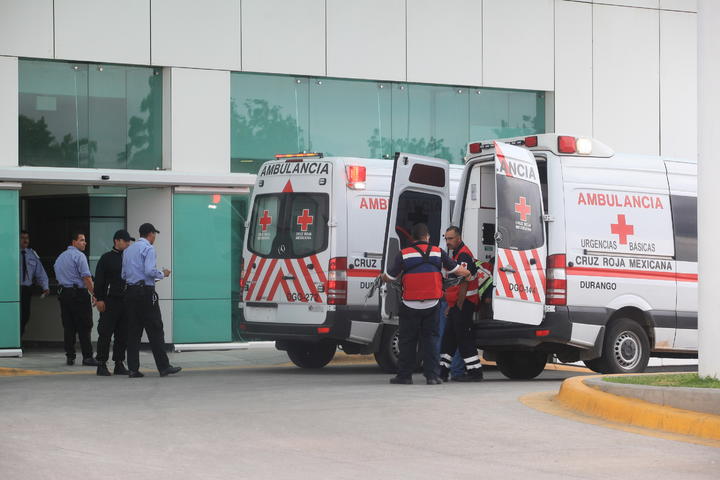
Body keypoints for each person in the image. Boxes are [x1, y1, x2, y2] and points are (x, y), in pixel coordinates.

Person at [382, 223, 469, 385]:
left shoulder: (404, 254)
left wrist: (383, 277)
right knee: (431, 340)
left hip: (410, 304)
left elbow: (390, 276)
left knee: (407, 341)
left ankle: (404, 376)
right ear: (427, 237)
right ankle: (432, 376)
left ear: (412, 238)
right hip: (432, 304)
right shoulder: (438, 252)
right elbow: (458, 270)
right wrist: (468, 273)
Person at [122, 223, 180, 378]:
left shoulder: (128, 250)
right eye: (154, 234)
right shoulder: (148, 249)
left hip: (130, 292)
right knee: (155, 329)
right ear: (150, 234)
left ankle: (133, 369)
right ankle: (163, 367)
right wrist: (162, 273)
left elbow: (123, 275)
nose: (155, 237)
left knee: (134, 332)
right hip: (145, 294)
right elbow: (149, 271)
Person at [441, 226, 484, 382]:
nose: (448, 242)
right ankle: (442, 370)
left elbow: (465, 281)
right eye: (446, 238)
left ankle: (475, 372)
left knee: (463, 338)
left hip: (464, 303)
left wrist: (457, 305)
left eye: (450, 238)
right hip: (458, 304)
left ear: (458, 238)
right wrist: (451, 306)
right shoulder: (458, 253)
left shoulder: (464, 254)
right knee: (449, 338)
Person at [94, 230, 135, 376]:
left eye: (129, 241)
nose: (128, 243)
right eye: (125, 241)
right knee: (105, 333)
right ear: (116, 241)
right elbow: (99, 280)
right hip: (110, 301)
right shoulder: (107, 258)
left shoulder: (129, 258)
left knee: (122, 334)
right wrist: (99, 298)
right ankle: (101, 363)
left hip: (125, 301)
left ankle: (119, 363)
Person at [53, 232, 97, 366]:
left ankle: (70, 356)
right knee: (84, 325)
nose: (85, 243)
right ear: (73, 242)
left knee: (69, 326)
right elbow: (87, 278)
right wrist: (95, 294)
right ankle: (87, 357)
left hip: (64, 294)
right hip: (78, 294)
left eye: (85, 240)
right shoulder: (79, 256)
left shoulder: (60, 257)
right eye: (82, 240)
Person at [19, 230, 49, 337]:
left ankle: (19, 337)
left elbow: (40, 272)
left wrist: (45, 286)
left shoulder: (32, 254)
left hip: (26, 289)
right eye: (22, 237)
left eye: (27, 238)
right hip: (13, 289)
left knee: (25, 315)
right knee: (13, 315)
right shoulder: (11, 253)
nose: (25, 240)